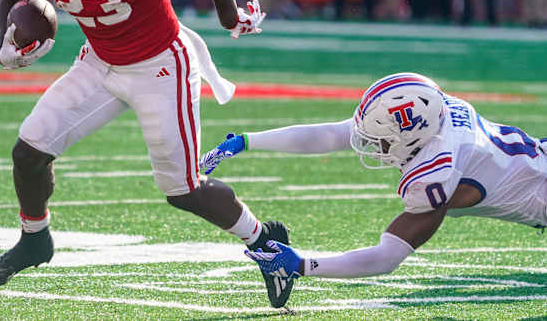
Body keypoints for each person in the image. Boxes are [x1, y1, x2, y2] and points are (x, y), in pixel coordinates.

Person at [0, 0, 294, 309]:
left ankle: (266, 242)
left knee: (183, 191)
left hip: (161, 65)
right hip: (100, 60)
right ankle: (34, 240)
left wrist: (230, 16)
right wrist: (5, 46)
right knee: (29, 151)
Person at [200, 73, 547, 284]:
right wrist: (249, 141)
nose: (371, 144)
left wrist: (302, 265)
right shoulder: (434, 114)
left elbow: (386, 257)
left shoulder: (437, 172)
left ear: (412, 137)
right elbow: (331, 135)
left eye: (380, 138)